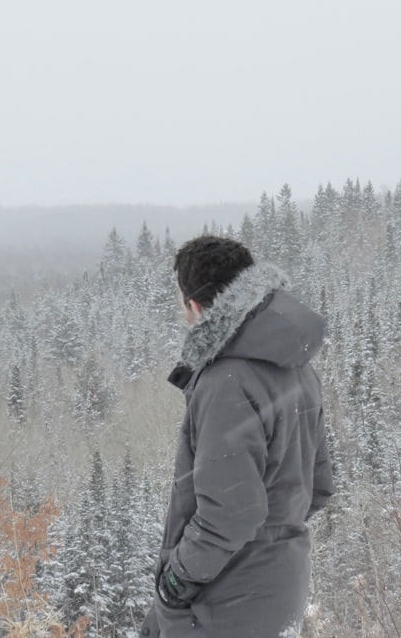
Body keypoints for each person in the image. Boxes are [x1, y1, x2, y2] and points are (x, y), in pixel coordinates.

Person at [140, 236, 334, 637]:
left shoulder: (225, 381)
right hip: (281, 588)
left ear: (194, 304)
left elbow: (231, 513)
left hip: (223, 607)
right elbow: (318, 487)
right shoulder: (295, 365)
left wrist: (176, 581)